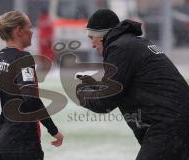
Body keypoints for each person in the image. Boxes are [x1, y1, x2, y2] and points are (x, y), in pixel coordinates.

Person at [76, 9, 189, 160]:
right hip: (176, 121)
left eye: (92, 38)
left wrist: (83, 93)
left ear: (103, 35)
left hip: (169, 124)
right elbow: (120, 86)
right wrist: (94, 85)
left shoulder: (120, 48)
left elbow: (105, 101)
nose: (92, 45)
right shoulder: (132, 43)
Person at [0, 11, 63, 160]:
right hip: (22, 144)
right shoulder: (23, 59)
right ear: (18, 30)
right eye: (29, 27)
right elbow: (31, 98)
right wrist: (53, 130)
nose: (32, 32)